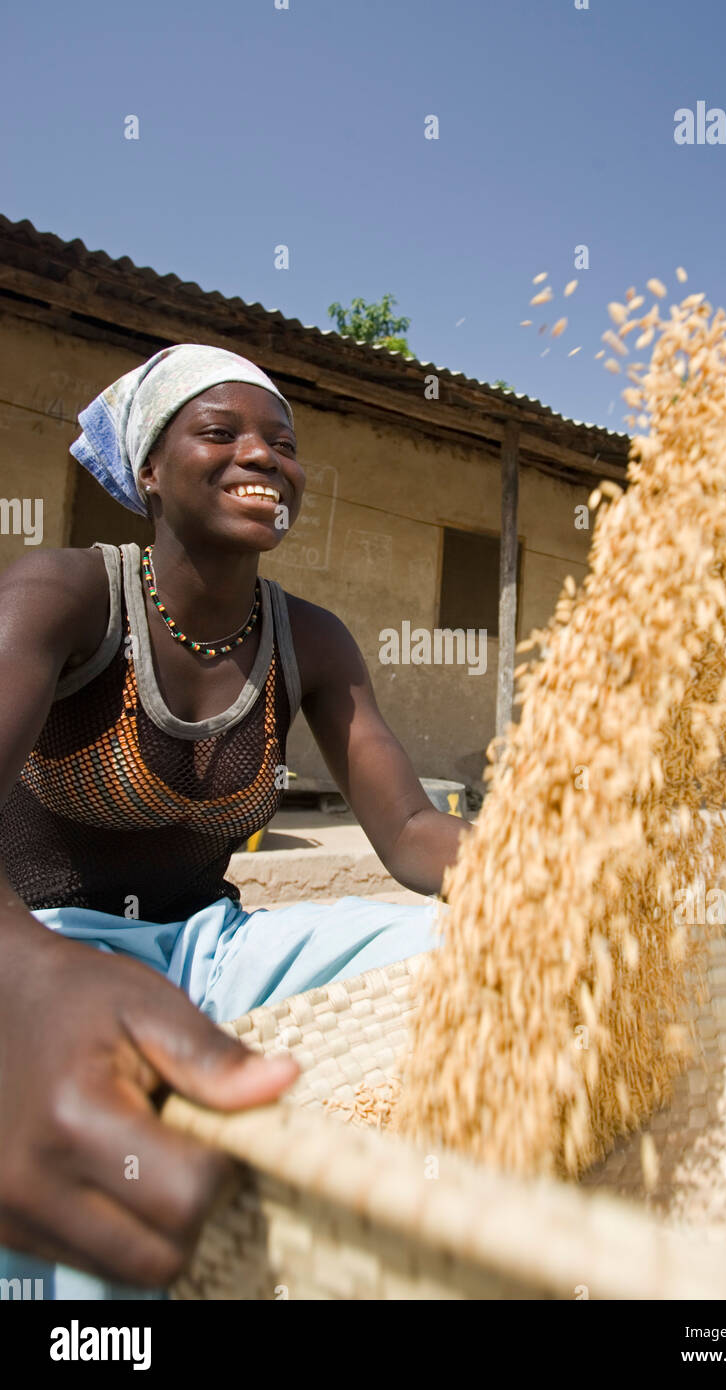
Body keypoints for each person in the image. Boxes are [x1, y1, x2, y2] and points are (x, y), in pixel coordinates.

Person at [0, 344, 469, 1299]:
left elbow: (417, 834)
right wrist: (34, 977)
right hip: (39, 950)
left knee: (479, 945)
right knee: (96, 1234)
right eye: (221, 433)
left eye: (283, 444)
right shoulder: (63, 595)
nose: (264, 457)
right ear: (147, 473)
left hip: (213, 950)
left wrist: (562, 867)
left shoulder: (312, 639)